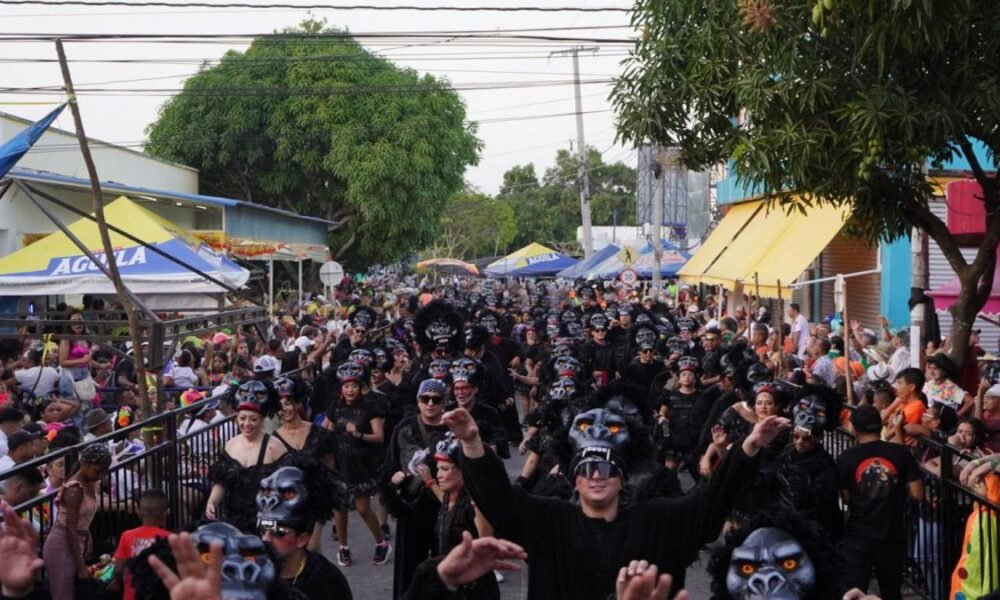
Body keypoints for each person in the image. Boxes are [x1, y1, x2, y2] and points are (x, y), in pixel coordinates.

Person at [442, 405, 790, 599]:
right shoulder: (548, 520)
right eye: (588, 467)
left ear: (622, 476)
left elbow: (712, 500)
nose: (597, 475)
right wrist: (472, 443)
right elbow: (498, 499)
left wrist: (749, 447)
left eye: (607, 467)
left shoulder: (658, 520)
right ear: (574, 476)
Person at [837, 404, 923, 600]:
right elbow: (918, 494)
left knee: (854, 593)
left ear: (854, 428)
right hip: (893, 533)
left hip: (858, 534)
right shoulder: (901, 454)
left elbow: (846, 498)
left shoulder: (846, 458)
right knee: (892, 591)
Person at [384, 378, 452, 599]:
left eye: (436, 399)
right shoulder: (405, 426)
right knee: (408, 567)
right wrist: (394, 476)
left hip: (444, 506)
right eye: (425, 399)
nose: (430, 404)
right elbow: (390, 463)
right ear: (418, 401)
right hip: (411, 507)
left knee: (445, 565)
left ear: (444, 402)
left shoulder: (451, 429)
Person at [322, 362, 391, 567]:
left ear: (360, 387)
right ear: (341, 387)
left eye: (354, 386)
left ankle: (382, 543)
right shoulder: (335, 406)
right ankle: (343, 548)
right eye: (346, 386)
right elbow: (328, 432)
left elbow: (379, 437)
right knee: (340, 508)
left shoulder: (370, 407)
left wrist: (359, 434)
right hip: (339, 463)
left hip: (362, 462)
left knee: (362, 508)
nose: (350, 390)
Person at [416, 433, 498, 600]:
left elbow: (486, 539)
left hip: (474, 588)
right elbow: (449, 509)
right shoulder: (449, 497)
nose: (439, 474)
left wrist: (479, 499)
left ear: (462, 473)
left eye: (445, 469)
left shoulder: (472, 501)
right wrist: (430, 483)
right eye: (438, 468)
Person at [256, 465, 352, 599]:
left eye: (277, 532)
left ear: (302, 539)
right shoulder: (252, 574)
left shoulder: (326, 580)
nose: (265, 539)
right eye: (262, 530)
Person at [206, 380, 287, 533]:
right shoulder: (230, 445)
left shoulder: (275, 447)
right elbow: (222, 481)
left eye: (253, 419)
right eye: (242, 418)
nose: (247, 424)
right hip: (234, 520)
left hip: (266, 523)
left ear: (263, 420)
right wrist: (212, 501)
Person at [271, 376, 338, 551]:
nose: (283, 409)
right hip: (287, 506)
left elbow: (330, 467)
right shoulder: (273, 441)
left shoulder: (319, 433)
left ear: (298, 403)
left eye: (287, 403)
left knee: (313, 549)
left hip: (315, 502)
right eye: (280, 405)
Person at [42, 443, 113, 600]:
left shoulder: (88, 483)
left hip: (75, 542)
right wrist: (81, 566)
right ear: (85, 464)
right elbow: (70, 528)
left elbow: (81, 522)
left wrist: (87, 538)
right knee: (63, 594)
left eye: (103, 472)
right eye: (97, 471)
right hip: (62, 545)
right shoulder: (74, 489)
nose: (100, 476)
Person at [111, 488, 173, 600]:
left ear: (138, 511)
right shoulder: (171, 538)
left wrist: (116, 581)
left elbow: (119, 568)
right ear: (166, 513)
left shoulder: (127, 535)